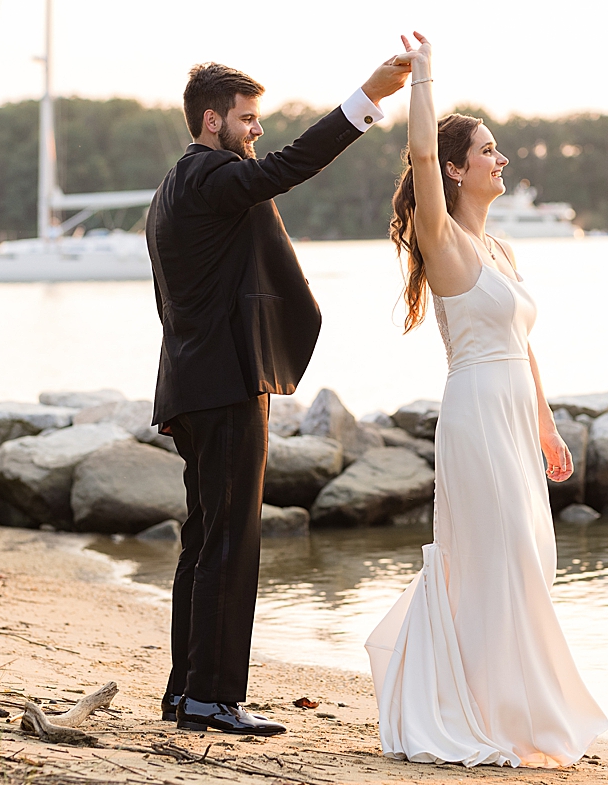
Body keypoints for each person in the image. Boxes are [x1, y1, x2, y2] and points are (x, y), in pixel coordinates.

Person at [364, 33, 608, 766]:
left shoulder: (503, 250)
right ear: (455, 169)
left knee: (529, 558)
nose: (501, 160)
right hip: (473, 416)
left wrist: (547, 426)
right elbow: (414, 157)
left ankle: (506, 706)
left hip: (512, 418)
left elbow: (523, 344)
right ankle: (482, 713)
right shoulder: (441, 241)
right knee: (500, 561)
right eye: (489, 150)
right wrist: (425, 79)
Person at [148, 55, 410, 736]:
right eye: (247, 118)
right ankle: (213, 698)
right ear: (213, 121)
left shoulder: (173, 186)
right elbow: (288, 167)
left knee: (203, 541)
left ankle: (186, 694)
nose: (257, 130)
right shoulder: (215, 174)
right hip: (227, 384)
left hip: (191, 385)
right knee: (231, 542)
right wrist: (367, 99)